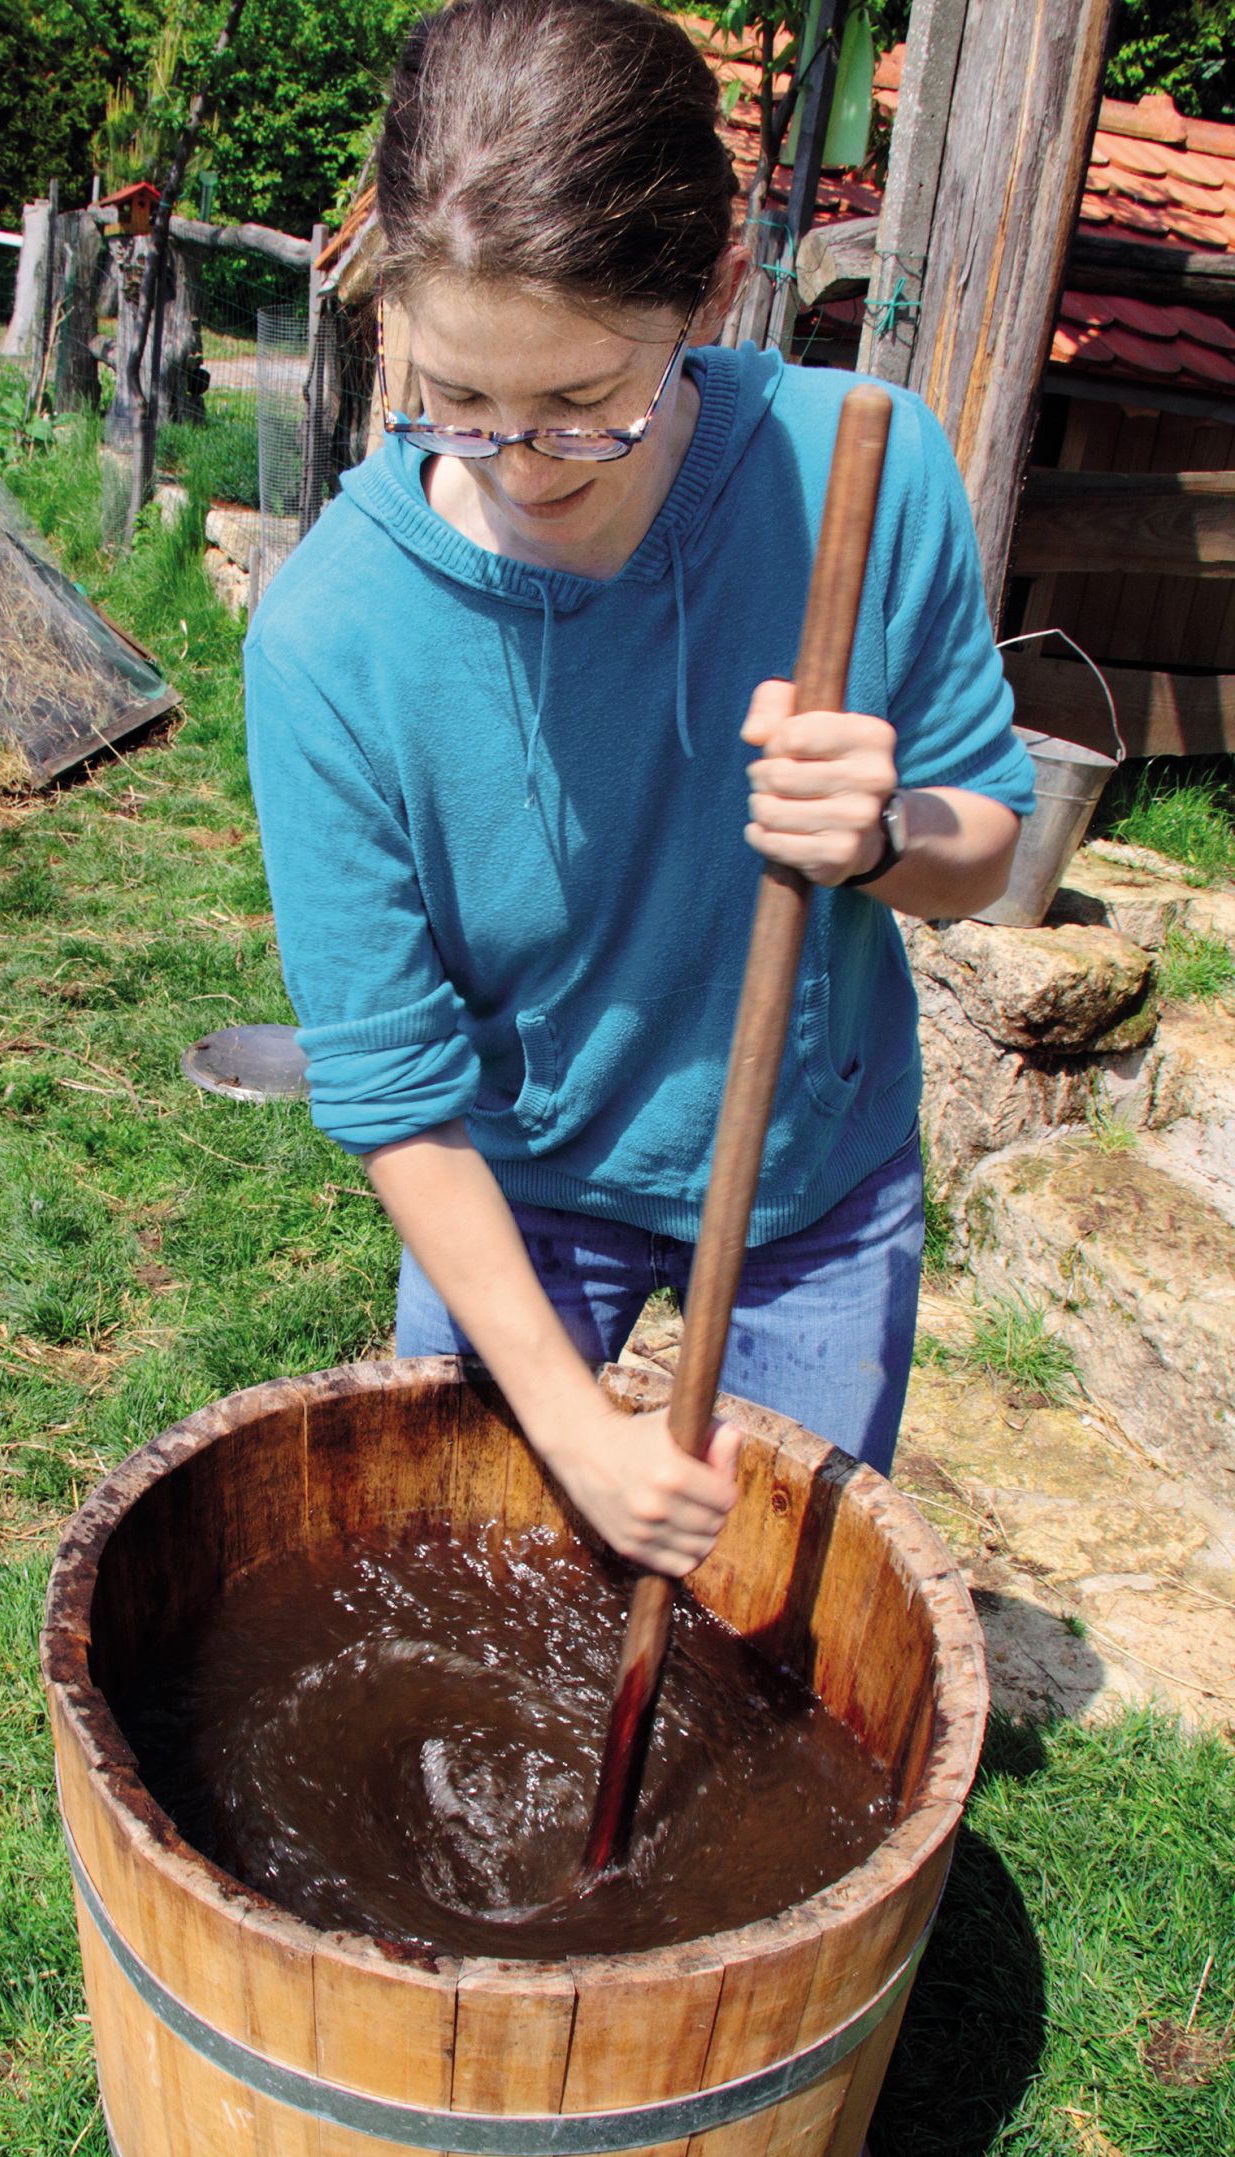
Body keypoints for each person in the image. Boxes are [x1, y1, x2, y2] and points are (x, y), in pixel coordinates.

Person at [245, 0, 1033, 1578]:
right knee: (477, 1582)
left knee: (767, 1624)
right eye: (455, 400)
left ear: (716, 294)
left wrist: (884, 835)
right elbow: (394, 1091)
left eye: (585, 405)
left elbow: (985, 845)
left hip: (810, 1176)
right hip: (513, 1182)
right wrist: (574, 1422)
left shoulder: (861, 475)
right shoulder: (333, 637)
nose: (521, 458)